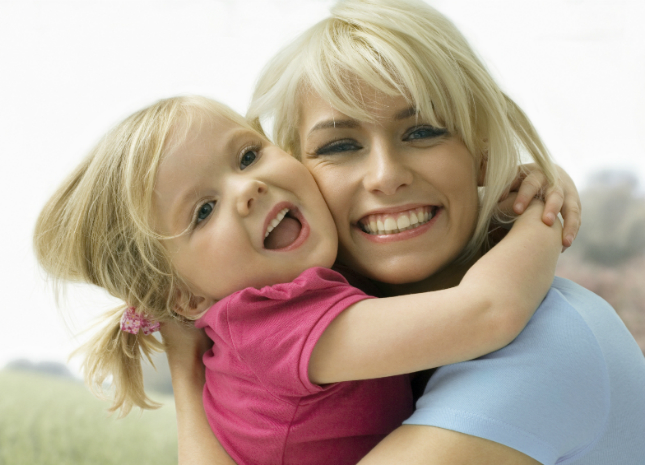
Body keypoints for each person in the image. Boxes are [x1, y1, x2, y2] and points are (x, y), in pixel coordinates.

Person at [164, 0, 645, 464]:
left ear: (480, 149)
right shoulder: (320, 324)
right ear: (301, 171)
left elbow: (488, 310)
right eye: (341, 145)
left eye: (422, 132)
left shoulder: (548, 350)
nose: (385, 175)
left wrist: (540, 212)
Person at [34, 95, 561, 464]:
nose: (247, 188)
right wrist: (541, 211)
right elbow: (489, 312)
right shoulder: (276, 325)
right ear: (187, 296)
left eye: (246, 155)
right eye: (203, 210)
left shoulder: (263, 318)